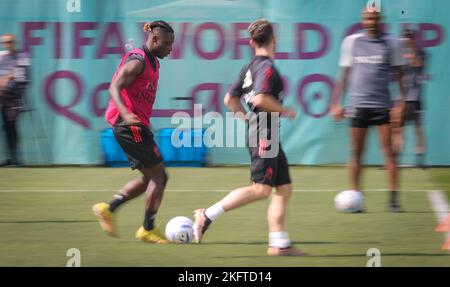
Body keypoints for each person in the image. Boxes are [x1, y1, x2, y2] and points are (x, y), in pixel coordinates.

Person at [192, 19, 304, 256]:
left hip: (264, 130)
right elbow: (262, 99)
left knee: (283, 188)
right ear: (274, 40)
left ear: (252, 42)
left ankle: (278, 244)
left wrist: (247, 119)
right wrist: (285, 111)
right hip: (265, 132)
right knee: (261, 190)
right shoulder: (267, 68)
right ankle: (207, 216)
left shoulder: (248, 67)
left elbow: (229, 100)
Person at [93, 21, 174, 243]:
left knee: (150, 177)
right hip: (129, 126)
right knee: (159, 175)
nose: (170, 48)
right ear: (154, 39)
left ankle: (109, 209)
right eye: (167, 43)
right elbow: (114, 87)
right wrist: (127, 115)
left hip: (136, 126)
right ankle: (148, 228)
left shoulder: (153, 62)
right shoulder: (138, 60)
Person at [330, 8, 406, 212]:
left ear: (380, 19)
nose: (370, 21)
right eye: (367, 18)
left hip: (383, 106)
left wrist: (400, 104)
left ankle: (393, 201)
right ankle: (356, 198)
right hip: (357, 106)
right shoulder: (351, 42)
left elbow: (400, 75)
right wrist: (336, 103)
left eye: (374, 18)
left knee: (389, 153)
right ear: (362, 20)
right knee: (356, 153)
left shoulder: (392, 42)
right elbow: (344, 75)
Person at [392, 29, 427, 168]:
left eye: (410, 37)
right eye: (405, 37)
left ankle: (420, 161)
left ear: (414, 38)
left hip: (415, 99)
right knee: (398, 130)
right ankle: (395, 160)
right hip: (401, 99)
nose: (407, 39)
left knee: (418, 129)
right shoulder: (399, 55)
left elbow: (418, 64)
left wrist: (412, 47)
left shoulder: (422, 53)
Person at [0, 33, 30, 166]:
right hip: (2, 97)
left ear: (14, 42)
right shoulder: (1, 56)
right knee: (6, 128)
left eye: (10, 41)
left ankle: (15, 159)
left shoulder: (22, 56)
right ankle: (8, 158)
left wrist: (8, 76)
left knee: (11, 126)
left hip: (14, 98)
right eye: (5, 42)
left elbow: (23, 76)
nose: (8, 44)